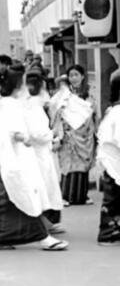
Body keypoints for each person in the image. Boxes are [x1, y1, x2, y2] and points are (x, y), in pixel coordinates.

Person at [0, 64, 68, 251]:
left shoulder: (7, 103)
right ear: (17, 86)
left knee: (9, 199)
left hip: (16, 156)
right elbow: (5, 131)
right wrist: (22, 137)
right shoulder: (8, 106)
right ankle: (41, 236)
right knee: (24, 195)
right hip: (15, 157)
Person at [25, 68, 64, 233]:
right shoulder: (33, 107)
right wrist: (52, 134)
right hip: (37, 153)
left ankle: (46, 221)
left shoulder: (37, 106)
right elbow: (37, 133)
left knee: (47, 187)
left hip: (42, 152)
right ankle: (41, 223)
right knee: (42, 189)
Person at [52, 65, 97, 206]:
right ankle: (65, 195)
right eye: (71, 75)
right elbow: (55, 109)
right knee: (68, 164)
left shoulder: (89, 93)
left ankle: (82, 195)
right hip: (69, 134)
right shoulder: (64, 94)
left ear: (83, 76)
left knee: (83, 164)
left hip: (86, 134)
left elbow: (94, 111)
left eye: (76, 75)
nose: (74, 78)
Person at [96, 75, 120, 245]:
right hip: (115, 163)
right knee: (113, 200)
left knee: (114, 199)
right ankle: (108, 233)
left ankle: (111, 231)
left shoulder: (113, 110)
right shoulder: (118, 113)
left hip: (111, 162)